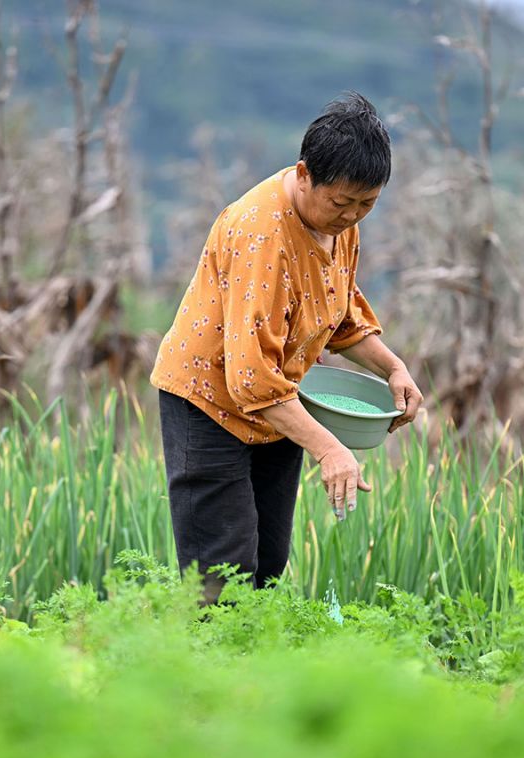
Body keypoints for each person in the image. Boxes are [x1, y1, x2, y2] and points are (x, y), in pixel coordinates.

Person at [150, 91, 423, 603]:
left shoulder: (337, 225)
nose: (351, 216)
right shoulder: (263, 236)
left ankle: (259, 678)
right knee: (222, 574)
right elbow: (249, 379)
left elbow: (338, 313)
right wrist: (329, 449)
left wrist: (393, 369)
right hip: (210, 402)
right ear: (304, 174)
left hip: (278, 404)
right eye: (341, 202)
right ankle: (202, 678)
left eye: (367, 204)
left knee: (269, 562)